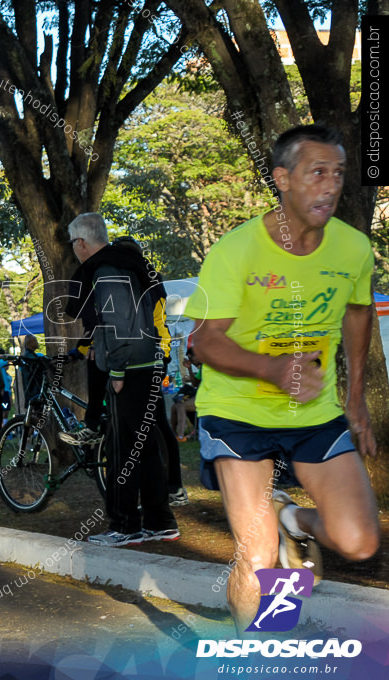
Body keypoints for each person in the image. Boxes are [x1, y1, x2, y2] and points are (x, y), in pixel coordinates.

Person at [184, 124, 379, 632]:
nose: (331, 185)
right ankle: (266, 643)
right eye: (317, 172)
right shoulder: (236, 250)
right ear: (283, 179)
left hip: (314, 412)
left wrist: (355, 400)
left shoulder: (354, 248)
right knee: (258, 554)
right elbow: (202, 342)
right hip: (238, 413)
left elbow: (359, 312)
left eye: (338, 173)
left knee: (359, 541)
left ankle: (294, 519)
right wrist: (273, 369)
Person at [66, 213, 179, 547]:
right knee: (143, 449)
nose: (74, 249)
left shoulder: (106, 270)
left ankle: (125, 525)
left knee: (122, 450)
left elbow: (121, 325)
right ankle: (160, 522)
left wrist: (115, 371)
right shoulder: (127, 262)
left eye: (73, 243)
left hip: (130, 370)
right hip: (145, 365)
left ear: (82, 242)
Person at [112, 235, 188, 507]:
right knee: (157, 424)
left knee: (150, 426)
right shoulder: (150, 276)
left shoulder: (136, 280)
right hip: (157, 355)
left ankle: (168, 487)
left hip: (148, 358)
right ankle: (173, 486)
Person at [0, 348, 13, 420]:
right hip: (3, 391)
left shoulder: (5, 373)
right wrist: (3, 356)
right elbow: (10, 357)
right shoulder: (0, 362)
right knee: (4, 411)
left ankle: (5, 426)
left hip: (6, 391)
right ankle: (3, 428)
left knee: (6, 411)